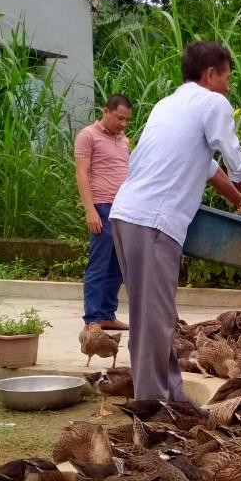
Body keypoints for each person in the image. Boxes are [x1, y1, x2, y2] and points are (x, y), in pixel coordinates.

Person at [108, 41, 241, 402]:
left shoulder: (169, 104)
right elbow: (237, 163)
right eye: (227, 77)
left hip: (128, 216)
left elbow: (210, 169)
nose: (229, 85)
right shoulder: (213, 103)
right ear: (211, 75)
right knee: (154, 321)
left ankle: (169, 395)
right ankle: (152, 404)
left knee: (155, 315)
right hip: (152, 221)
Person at [75, 94, 133, 330]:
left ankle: (107, 314)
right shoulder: (87, 136)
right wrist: (90, 211)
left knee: (118, 265)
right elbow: (81, 174)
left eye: (127, 120)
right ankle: (92, 319)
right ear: (106, 112)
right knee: (99, 264)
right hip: (102, 207)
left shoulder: (124, 140)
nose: (123, 124)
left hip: (123, 209)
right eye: (119, 118)